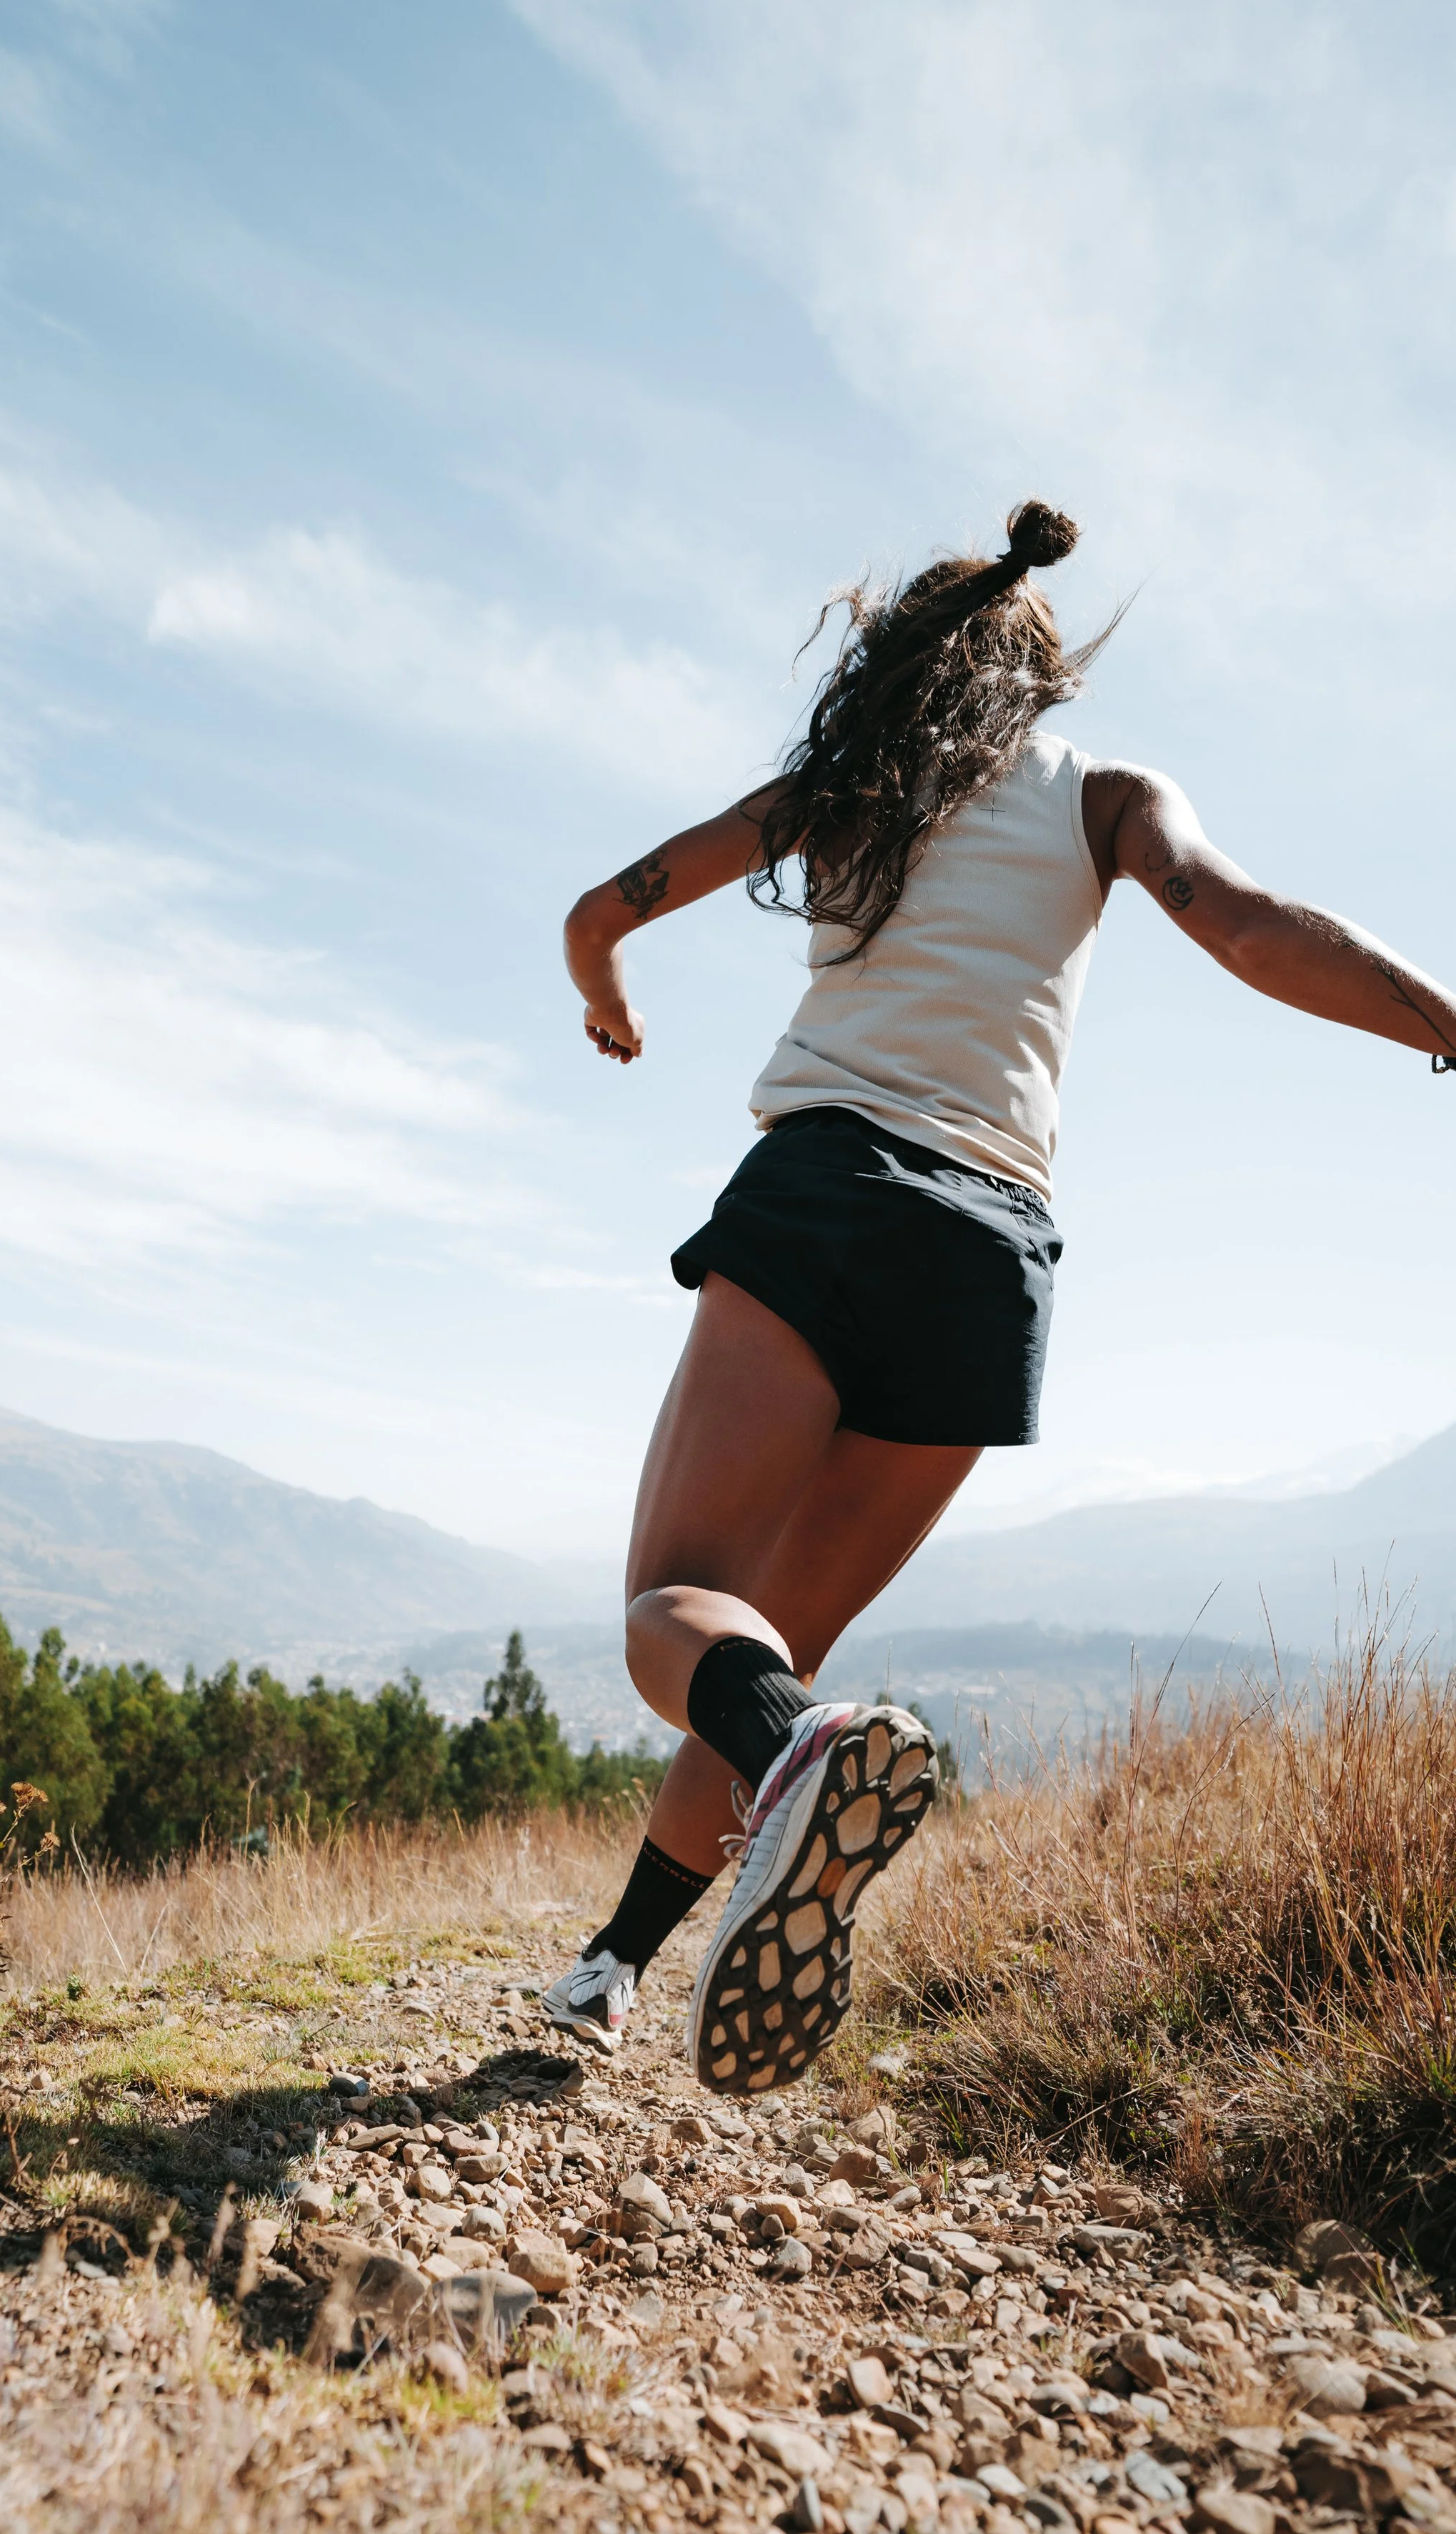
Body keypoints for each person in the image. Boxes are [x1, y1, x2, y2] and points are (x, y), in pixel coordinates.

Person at [540, 497, 1456, 2096]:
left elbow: (599, 911)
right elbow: (1240, 932)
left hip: (826, 1195)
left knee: (671, 1613)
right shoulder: (1110, 793)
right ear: (1041, 677)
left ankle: (785, 1778)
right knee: (772, 1651)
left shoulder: (848, 787)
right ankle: (613, 1961)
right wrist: (1444, 1027)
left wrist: (604, 1002)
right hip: (990, 1256)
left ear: (901, 668)